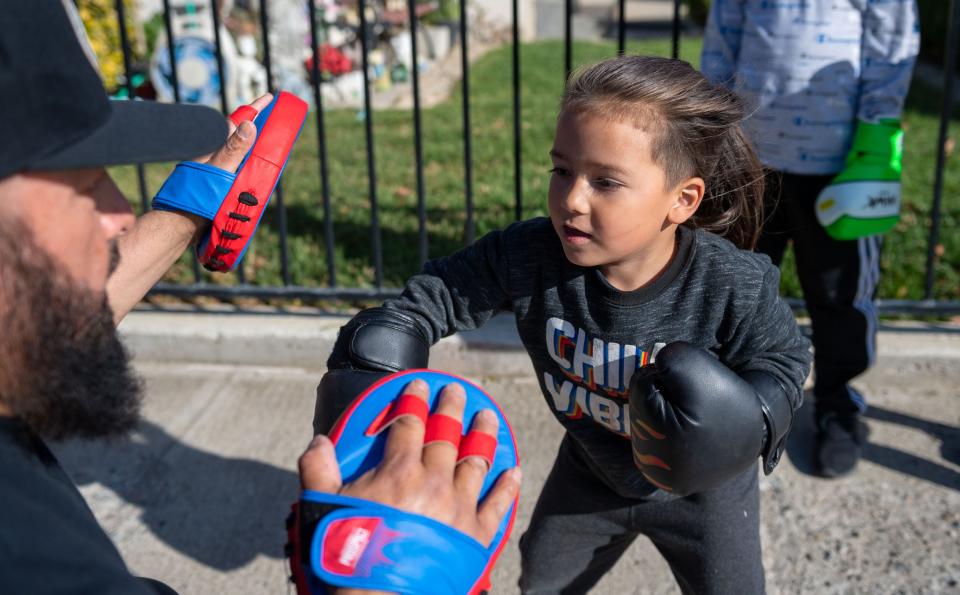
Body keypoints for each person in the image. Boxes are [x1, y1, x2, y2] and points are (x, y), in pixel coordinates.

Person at [0, 1, 516, 593]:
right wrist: (381, 579)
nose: (119, 216)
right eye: (82, 182)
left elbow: (36, 313)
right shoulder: (35, 563)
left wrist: (190, 208)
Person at [313, 55, 812, 594]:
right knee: (543, 584)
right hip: (590, 475)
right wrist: (384, 346)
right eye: (562, 170)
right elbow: (439, 295)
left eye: (606, 182)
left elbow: (785, 358)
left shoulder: (732, 282)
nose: (571, 200)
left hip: (705, 494)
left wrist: (754, 416)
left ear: (682, 199)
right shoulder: (529, 255)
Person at [701, 0, 920, 477]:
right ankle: (739, 400)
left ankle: (837, 405)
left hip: (842, 167)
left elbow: (892, 45)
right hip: (751, 161)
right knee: (739, 290)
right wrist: (712, 124)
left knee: (841, 294)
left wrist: (877, 133)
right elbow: (723, 39)